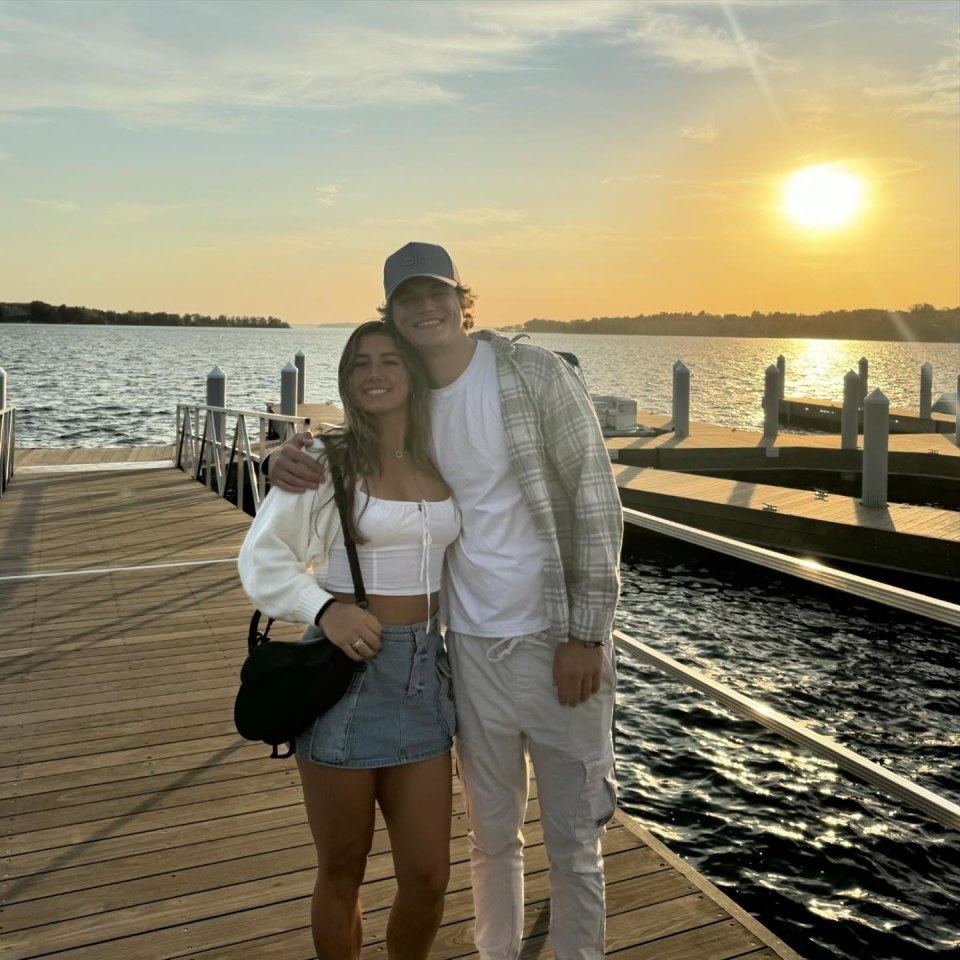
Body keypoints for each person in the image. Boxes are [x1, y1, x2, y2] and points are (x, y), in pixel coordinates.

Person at [268, 242, 623, 960]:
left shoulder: (532, 374)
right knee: (491, 838)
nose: (425, 308)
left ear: (464, 299)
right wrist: (278, 460)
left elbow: (595, 499)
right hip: (462, 650)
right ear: (392, 315)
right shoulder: (411, 396)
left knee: (574, 841)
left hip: (558, 641)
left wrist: (587, 634)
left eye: (438, 294)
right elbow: (354, 449)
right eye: (408, 299)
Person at [238, 319, 460, 960]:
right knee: (343, 869)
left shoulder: (444, 455)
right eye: (360, 362)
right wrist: (324, 606)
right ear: (345, 378)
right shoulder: (327, 461)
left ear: (413, 373)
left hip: (425, 673)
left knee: (428, 874)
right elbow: (262, 558)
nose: (375, 373)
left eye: (391, 359)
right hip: (345, 672)